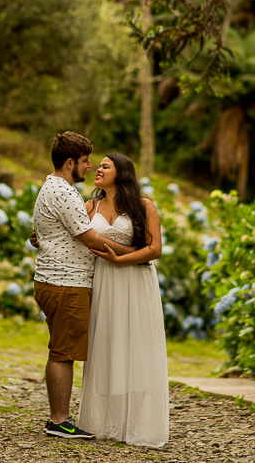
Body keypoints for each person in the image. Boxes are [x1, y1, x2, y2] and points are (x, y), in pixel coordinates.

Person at [31, 132, 139, 440]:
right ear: (69, 163)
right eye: (85, 161)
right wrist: (133, 254)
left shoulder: (53, 187)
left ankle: (59, 418)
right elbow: (89, 238)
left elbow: (42, 232)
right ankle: (58, 421)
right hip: (65, 282)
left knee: (62, 349)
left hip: (58, 279)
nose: (89, 166)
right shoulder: (64, 192)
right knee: (63, 352)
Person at [78, 152, 170, 448]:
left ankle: (139, 423)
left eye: (105, 166)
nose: (98, 170)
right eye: (98, 166)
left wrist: (122, 260)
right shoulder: (90, 205)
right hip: (103, 280)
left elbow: (155, 249)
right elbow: (75, 236)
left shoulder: (143, 206)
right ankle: (103, 421)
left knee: (137, 343)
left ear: (122, 172)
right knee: (105, 342)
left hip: (134, 279)